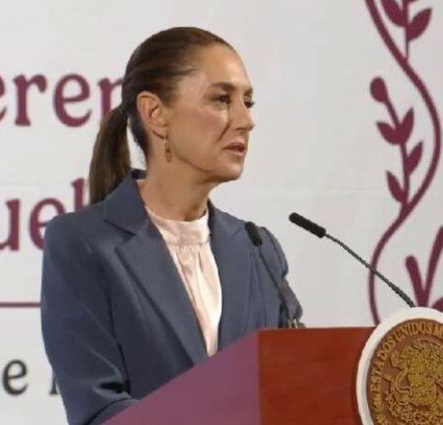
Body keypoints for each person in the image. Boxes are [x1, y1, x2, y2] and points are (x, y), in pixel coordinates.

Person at [40, 27, 302, 425]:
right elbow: (99, 408)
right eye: (222, 99)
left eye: (247, 102)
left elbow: (294, 388)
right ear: (156, 114)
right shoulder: (83, 244)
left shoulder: (258, 249)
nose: (246, 121)